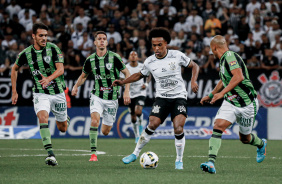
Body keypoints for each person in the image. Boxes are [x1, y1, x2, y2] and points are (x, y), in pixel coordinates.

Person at [112, 27, 199, 170]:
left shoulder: (176, 55)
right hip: (162, 98)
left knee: (178, 128)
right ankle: (135, 153)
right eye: (154, 45)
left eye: (160, 45)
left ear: (166, 44)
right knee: (152, 124)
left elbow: (194, 66)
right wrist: (123, 82)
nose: (156, 48)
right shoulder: (149, 61)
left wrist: (193, 81)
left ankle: (179, 160)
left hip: (179, 97)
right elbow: (139, 75)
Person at [199, 35, 267, 174]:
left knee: (245, 139)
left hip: (247, 104)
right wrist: (211, 95)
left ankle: (261, 144)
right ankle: (211, 163)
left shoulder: (230, 56)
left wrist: (222, 93)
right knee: (218, 126)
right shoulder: (224, 60)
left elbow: (238, 76)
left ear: (214, 48)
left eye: (211, 50)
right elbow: (224, 79)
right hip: (231, 102)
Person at [11, 23, 69, 166]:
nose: (44, 38)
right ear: (34, 36)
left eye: (45, 35)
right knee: (43, 117)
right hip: (40, 93)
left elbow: (60, 69)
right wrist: (14, 91)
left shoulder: (53, 48)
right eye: (41, 35)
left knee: (63, 128)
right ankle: (50, 154)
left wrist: (48, 78)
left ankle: (65, 118)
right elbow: (14, 69)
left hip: (57, 93)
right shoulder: (26, 54)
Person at [71, 31, 131, 162]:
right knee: (94, 121)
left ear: (107, 42)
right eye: (99, 39)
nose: (102, 41)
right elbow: (83, 76)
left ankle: (105, 125)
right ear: (95, 42)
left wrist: (126, 91)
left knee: (105, 131)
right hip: (97, 95)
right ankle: (93, 154)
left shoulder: (114, 57)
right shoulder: (90, 59)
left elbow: (127, 73)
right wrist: (76, 86)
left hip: (112, 99)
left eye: (104, 39)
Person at [120, 51, 151, 143]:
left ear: (138, 57)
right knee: (133, 117)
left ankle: (141, 130)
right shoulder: (125, 68)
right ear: (129, 57)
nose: (133, 56)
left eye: (135, 55)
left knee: (138, 111)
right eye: (131, 55)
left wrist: (146, 84)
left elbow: (149, 75)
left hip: (140, 92)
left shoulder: (142, 66)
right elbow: (121, 79)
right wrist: (124, 84)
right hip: (130, 93)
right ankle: (137, 135)